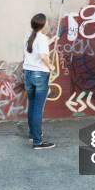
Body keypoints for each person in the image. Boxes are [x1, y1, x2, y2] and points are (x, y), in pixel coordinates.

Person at [23, 14, 55, 149]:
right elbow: (42, 55)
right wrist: (50, 65)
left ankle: (32, 134)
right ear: (43, 25)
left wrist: (51, 40)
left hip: (28, 73)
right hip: (40, 74)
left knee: (32, 105)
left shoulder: (28, 36)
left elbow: (35, 48)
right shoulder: (41, 38)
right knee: (38, 108)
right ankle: (37, 141)